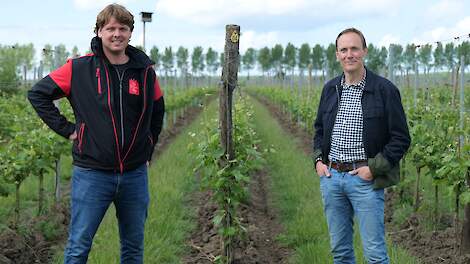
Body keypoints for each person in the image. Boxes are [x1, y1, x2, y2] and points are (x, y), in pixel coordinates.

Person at [28, 4, 165, 263]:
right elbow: (38, 94)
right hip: (92, 175)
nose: (116, 34)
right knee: (78, 247)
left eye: (122, 28)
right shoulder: (79, 69)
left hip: (134, 175)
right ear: (99, 31)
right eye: (110, 28)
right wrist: (69, 130)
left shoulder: (145, 71)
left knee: (133, 249)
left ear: (130, 33)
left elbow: (157, 110)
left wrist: (148, 146)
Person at [313, 28, 410, 264]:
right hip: (332, 178)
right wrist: (317, 161)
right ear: (337, 55)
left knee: (375, 255)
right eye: (344, 50)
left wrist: (373, 169)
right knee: (341, 252)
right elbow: (319, 130)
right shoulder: (330, 89)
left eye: (354, 48)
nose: (349, 54)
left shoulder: (385, 90)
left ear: (364, 51)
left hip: (365, 180)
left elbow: (401, 139)